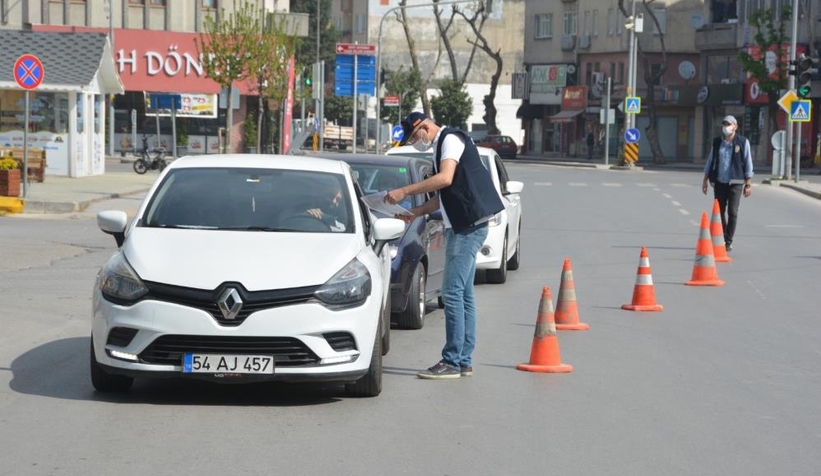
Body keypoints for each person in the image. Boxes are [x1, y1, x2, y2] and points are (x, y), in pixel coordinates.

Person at [385, 112, 504, 380]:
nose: (417, 142)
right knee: (463, 295)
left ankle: (452, 360)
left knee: (451, 293)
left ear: (425, 126)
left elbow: (446, 179)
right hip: (467, 224)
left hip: (467, 227)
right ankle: (463, 360)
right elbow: (443, 198)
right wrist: (415, 212)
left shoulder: (449, 139)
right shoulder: (443, 144)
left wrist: (405, 191)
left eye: (416, 137)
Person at [701, 115, 753, 251]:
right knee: (719, 212)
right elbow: (710, 161)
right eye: (724, 124)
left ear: (735, 126)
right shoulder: (717, 142)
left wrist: (748, 184)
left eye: (728, 124)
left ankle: (728, 241)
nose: (726, 127)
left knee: (733, 212)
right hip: (719, 182)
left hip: (736, 182)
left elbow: (748, 164)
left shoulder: (742, 142)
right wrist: (705, 180)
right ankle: (722, 237)